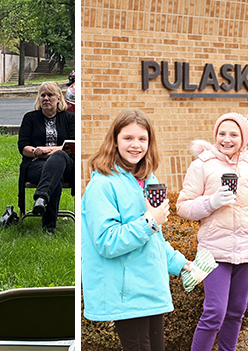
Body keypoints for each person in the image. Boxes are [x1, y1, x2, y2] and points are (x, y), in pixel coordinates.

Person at [79, 109, 193, 351]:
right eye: (128, 138)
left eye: (142, 139)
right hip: (126, 292)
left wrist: (181, 264)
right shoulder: (102, 185)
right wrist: (150, 221)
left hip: (150, 286)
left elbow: (155, 241)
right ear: (115, 140)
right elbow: (106, 241)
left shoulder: (148, 180)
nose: (136, 145)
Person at [176, 112, 248, 351]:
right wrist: (211, 202)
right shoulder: (202, 164)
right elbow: (183, 206)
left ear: (244, 138)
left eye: (234, 134)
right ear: (215, 135)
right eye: (222, 133)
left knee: (235, 314)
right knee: (214, 313)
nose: (226, 139)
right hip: (213, 253)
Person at [12, 83, 75, 233]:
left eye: (50, 95)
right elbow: (23, 147)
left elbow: (73, 145)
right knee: (55, 176)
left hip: (65, 163)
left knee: (59, 157)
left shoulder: (70, 118)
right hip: (36, 164)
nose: (46, 98)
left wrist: (49, 150)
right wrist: (35, 152)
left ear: (59, 98)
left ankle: (41, 197)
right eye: (43, 95)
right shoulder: (30, 118)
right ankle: (48, 229)